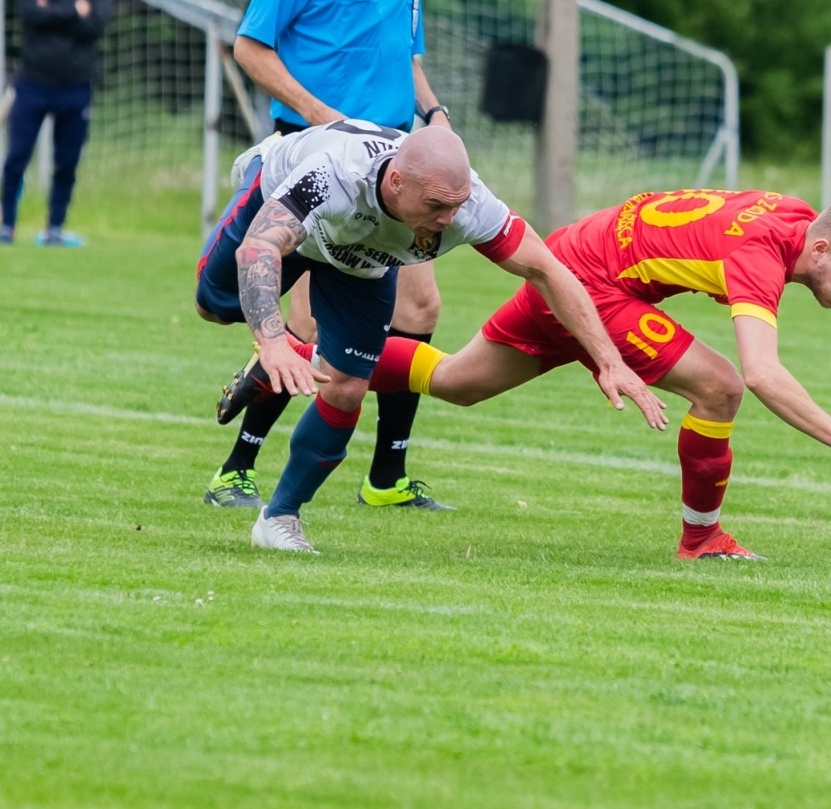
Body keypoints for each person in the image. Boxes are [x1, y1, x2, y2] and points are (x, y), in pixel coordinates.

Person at [237, 188, 831, 560]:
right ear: (821, 253)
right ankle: (703, 540)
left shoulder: (806, 223)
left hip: (583, 255)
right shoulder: (760, 257)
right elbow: (762, 374)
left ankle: (301, 361)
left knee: (460, 381)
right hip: (596, 284)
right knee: (723, 384)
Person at [196, 120, 664, 553]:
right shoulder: (334, 174)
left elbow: (546, 269)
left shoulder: (470, 206)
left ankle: (278, 518)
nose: (447, 220)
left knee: (347, 387)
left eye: (455, 205)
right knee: (216, 307)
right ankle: (281, 351)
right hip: (281, 212)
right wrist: (273, 341)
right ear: (396, 183)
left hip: (359, 262)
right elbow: (259, 248)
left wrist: (608, 360)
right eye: (435, 206)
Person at [208, 0, 454, 512]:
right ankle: (236, 469)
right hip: (319, 166)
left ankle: (386, 476)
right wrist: (327, 121)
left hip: (397, 169)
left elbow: (406, 57)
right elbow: (251, 48)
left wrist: (434, 115)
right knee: (310, 326)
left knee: (423, 302)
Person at [0, 0, 112, 247]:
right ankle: (7, 226)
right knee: (17, 156)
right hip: (32, 82)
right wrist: (73, 10)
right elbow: (30, 13)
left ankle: (55, 228)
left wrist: (52, 11)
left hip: (76, 85)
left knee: (67, 162)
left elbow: (96, 24)